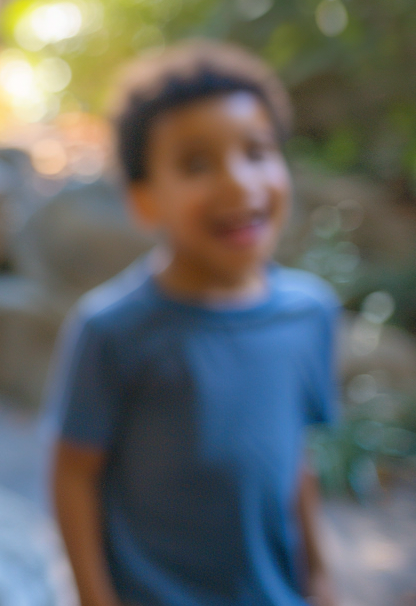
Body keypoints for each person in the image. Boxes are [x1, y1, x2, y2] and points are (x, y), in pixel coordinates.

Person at [46, 41, 338, 606]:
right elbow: (73, 475)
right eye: (196, 164)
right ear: (144, 200)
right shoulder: (111, 331)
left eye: (256, 152)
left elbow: (297, 460)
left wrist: (320, 577)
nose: (237, 182)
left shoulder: (311, 315)